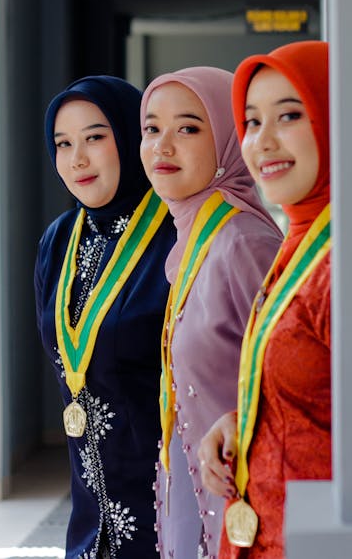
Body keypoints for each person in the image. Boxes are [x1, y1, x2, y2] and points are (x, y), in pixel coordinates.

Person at [139, 66, 282, 559]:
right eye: (152, 129)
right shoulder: (193, 235)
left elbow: (287, 382)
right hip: (196, 493)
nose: (162, 146)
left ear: (228, 140)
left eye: (188, 128)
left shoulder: (243, 241)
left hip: (242, 502)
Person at [197, 41, 332, 557]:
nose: (263, 141)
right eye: (251, 122)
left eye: (290, 115)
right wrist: (247, 421)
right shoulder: (299, 240)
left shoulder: (349, 263)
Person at [34, 75, 175, 558]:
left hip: (167, 499)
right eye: (63, 143)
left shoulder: (177, 234)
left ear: (132, 138)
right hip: (88, 505)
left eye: (95, 137)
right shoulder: (58, 241)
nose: (77, 160)